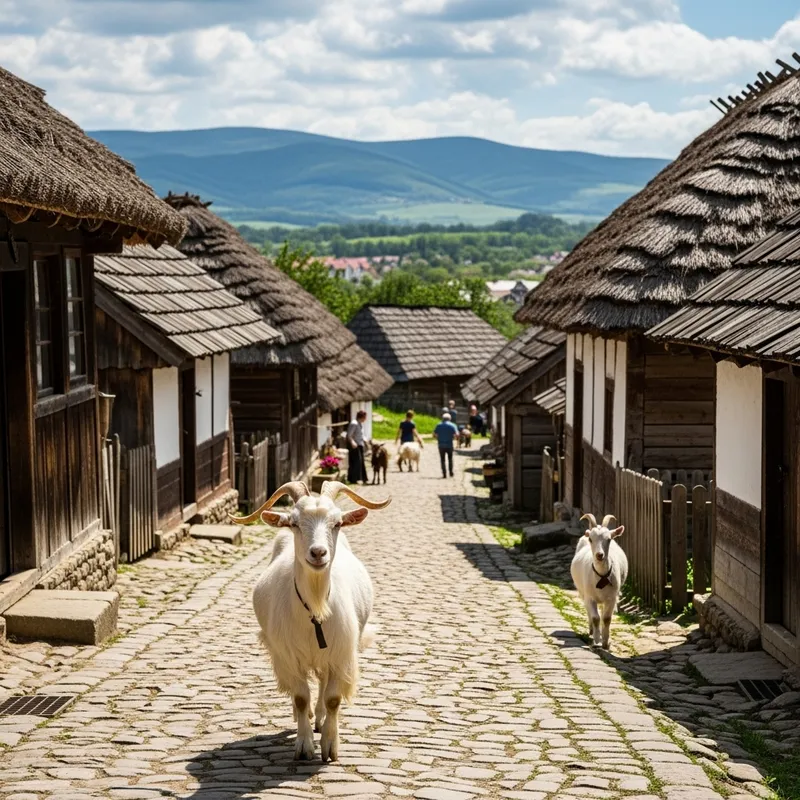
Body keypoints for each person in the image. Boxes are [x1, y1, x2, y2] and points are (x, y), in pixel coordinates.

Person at [433, 412, 459, 478]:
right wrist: (454, 438)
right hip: (449, 445)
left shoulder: (438, 425)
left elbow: (434, 434)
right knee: (450, 459)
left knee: (442, 459)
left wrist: (438, 438)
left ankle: (444, 474)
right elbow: (457, 435)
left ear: (442, 418)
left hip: (441, 445)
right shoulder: (453, 425)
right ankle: (451, 472)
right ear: (449, 419)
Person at [346, 410, 368, 484]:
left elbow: (360, 434)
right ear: (362, 417)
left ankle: (360, 478)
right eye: (365, 417)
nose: (366, 418)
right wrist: (352, 442)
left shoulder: (360, 424)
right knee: (355, 462)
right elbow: (349, 435)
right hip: (354, 445)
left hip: (360, 444)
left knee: (360, 462)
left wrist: (365, 440)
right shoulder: (354, 423)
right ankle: (352, 479)